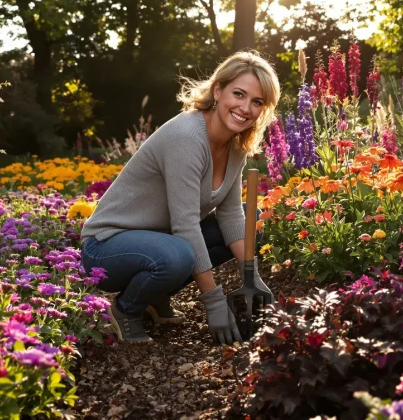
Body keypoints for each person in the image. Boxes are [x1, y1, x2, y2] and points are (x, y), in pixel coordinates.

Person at [80, 51, 279, 345]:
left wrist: (251, 276)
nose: (245, 108)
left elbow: (231, 215)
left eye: (257, 101)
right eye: (239, 94)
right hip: (108, 246)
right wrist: (213, 301)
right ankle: (127, 309)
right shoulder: (187, 137)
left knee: (253, 221)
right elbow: (186, 226)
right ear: (218, 90)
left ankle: (155, 295)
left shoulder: (235, 145)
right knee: (178, 255)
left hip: (160, 238)